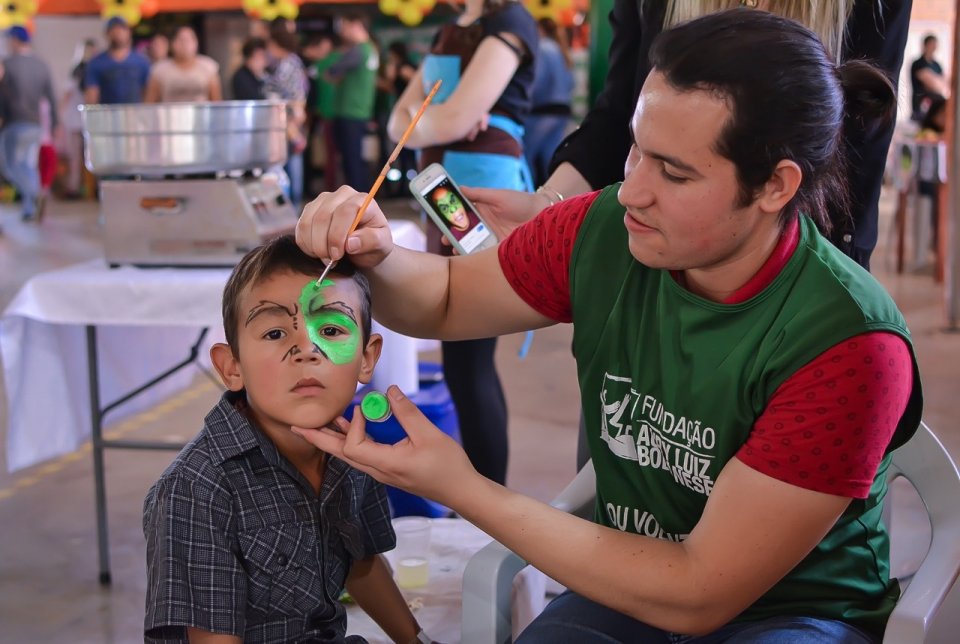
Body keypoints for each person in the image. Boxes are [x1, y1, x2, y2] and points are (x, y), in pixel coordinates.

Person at [295, 9, 922, 642]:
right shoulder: (601, 232)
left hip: (792, 612)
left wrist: (461, 487)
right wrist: (376, 253)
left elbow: (697, 593)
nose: (631, 191)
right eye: (636, 149)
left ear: (774, 186)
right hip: (632, 584)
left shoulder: (849, 342)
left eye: (674, 172)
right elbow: (450, 297)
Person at [467, 0, 911, 272]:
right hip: (656, 272)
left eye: (676, 173)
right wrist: (547, 204)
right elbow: (618, 114)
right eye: (640, 157)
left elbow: (859, 148)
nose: (631, 195)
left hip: (789, 277)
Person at [143, 235, 428, 644]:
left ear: (367, 357)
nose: (306, 349)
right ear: (232, 366)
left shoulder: (351, 450)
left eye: (330, 329)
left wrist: (416, 641)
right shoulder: (197, 490)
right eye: (276, 334)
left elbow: (361, 563)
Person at [386, 0, 538, 486]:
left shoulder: (509, 22)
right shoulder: (452, 28)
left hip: (482, 193)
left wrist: (431, 117)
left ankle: (488, 501)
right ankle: (476, 497)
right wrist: (438, 118)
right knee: (458, 356)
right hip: (441, 191)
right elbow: (397, 124)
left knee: (471, 357)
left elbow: (432, 121)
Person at [0, 26, 59, 222]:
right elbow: (51, 96)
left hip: (13, 122)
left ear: (15, 40)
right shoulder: (41, 64)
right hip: (35, 124)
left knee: (10, 167)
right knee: (27, 165)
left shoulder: (7, 64)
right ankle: (29, 209)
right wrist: (55, 123)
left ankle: (33, 194)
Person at [325, 13, 379, 192]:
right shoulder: (371, 49)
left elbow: (332, 71)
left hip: (349, 112)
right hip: (361, 111)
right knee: (356, 159)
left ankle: (357, 202)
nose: (343, 32)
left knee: (351, 160)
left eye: (345, 26)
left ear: (356, 25)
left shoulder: (357, 50)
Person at [524, 18, 574, 187]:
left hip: (541, 111)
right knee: (550, 161)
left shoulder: (543, 48)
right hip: (561, 111)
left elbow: (535, 80)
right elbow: (570, 83)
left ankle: (528, 195)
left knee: (525, 158)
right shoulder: (562, 51)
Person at [265, 23, 308, 206]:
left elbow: (284, 93)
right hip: (292, 115)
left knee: (290, 162)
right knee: (291, 161)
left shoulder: (287, 63)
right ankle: (294, 203)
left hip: (288, 116)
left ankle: (293, 204)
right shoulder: (292, 61)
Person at [145, 26, 222, 103]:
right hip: (169, 113)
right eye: (181, 40)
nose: (185, 44)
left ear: (196, 43)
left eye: (189, 40)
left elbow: (216, 102)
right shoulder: (160, 69)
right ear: (173, 43)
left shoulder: (208, 66)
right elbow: (150, 102)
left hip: (200, 113)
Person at [84, 16, 152, 105]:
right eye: (114, 30)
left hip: (135, 115)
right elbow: (91, 95)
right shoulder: (96, 63)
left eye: (122, 29)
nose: (118, 33)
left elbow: (148, 93)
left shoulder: (141, 62)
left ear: (129, 32)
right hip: (107, 115)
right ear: (107, 33)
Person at [910, 33, 950, 122]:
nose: (933, 47)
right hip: (921, 103)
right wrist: (936, 82)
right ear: (925, 45)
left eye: (935, 45)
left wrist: (937, 81)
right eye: (931, 44)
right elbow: (931, 83)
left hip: (935, 104)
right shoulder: (918, 63)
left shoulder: (937, 65)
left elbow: (944, 83)